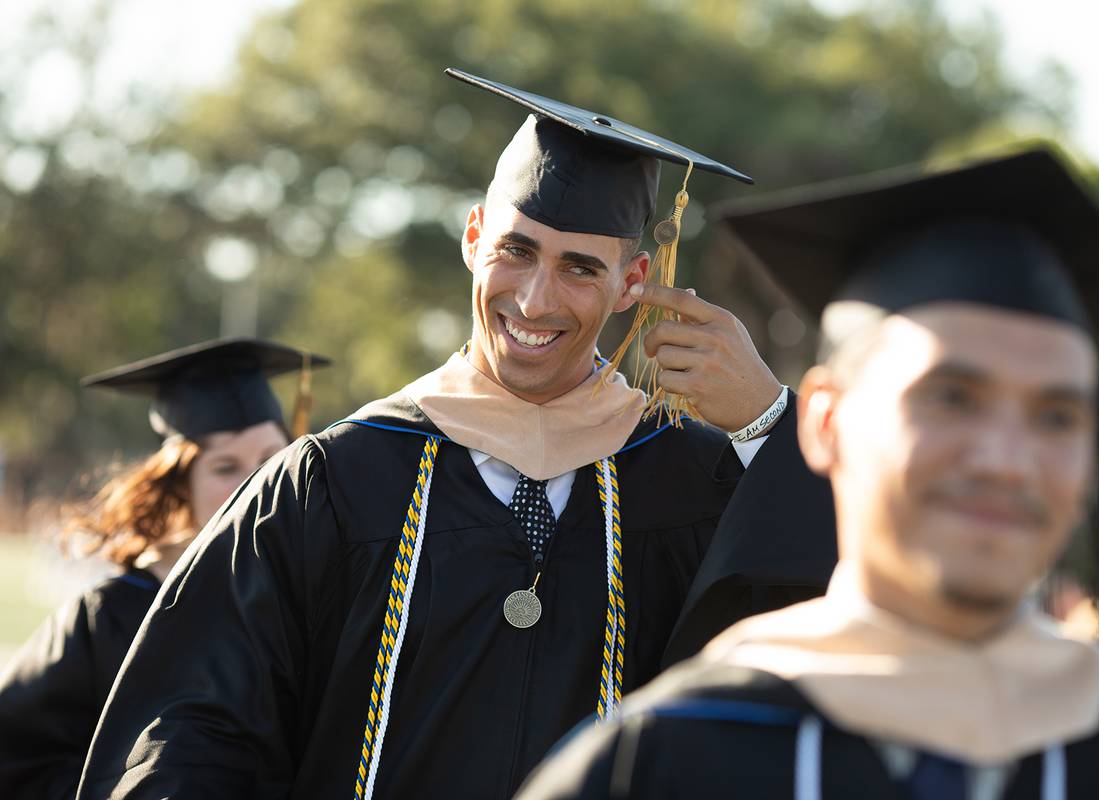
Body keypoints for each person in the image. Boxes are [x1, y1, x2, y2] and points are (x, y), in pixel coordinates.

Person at [77, 70, 837, 799]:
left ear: (633, 282)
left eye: (579, 267)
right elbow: (190, 728)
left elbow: (828, 648)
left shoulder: (690, 482)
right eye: (516, 250)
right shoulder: (334, 482)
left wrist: (772, 425)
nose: (535, 301)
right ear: (474, 236)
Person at [516, 147, 1099, 799]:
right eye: (952, 399)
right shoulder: (660, 761)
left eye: (1057, 417)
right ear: (824, 421)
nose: (1005, 460)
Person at [0, 338, 328, 799]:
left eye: (271, 460)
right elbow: (17, 754)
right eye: (224, 466)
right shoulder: (109, 616)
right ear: (178, 484)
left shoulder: (309, 605)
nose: (256, 482)